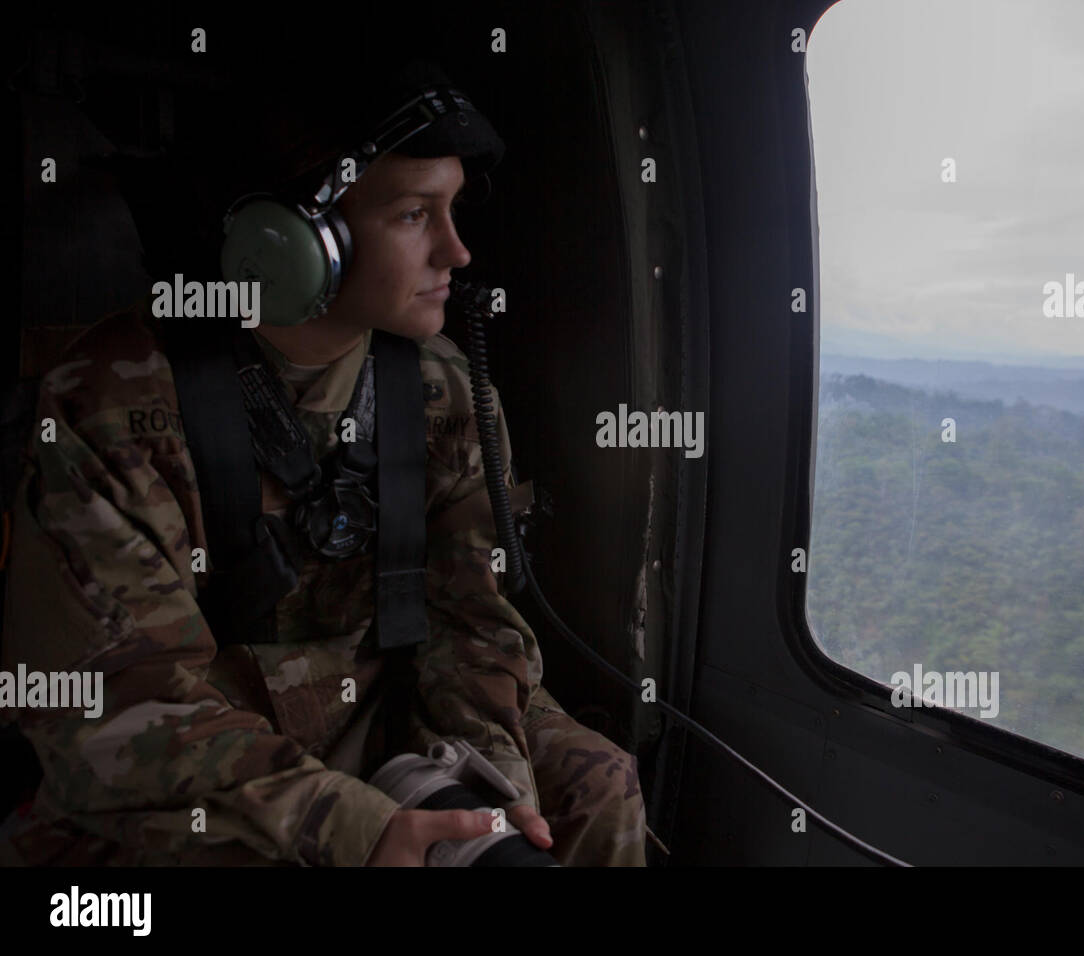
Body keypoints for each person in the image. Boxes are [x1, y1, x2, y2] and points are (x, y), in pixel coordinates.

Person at [0, 57, 652, 867]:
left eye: (452, 210)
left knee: (598, 783)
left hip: (389, 715)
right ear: (294, 243)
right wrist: (353, 827)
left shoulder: (444, 384)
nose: (457, 251)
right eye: (416, 215)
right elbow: (111, 705)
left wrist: (484, 778)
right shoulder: (115, 398)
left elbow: (472, 620)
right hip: (205, 750)